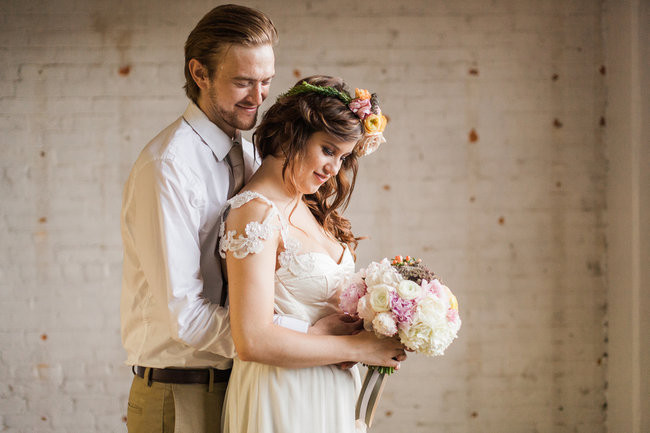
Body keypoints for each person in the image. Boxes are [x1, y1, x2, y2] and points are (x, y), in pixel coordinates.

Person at [120, 5, 360, 432]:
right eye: (243, 82)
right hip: (185, 392)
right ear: (200, 73)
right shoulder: (168, 167)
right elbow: (186, 316)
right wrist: (304, 336)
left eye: (266, 81)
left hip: (247, 383)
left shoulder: (251, 159)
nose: (258, 96)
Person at [218, 75, 404, 433]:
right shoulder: (255, 212)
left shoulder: (308, 207)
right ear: (292, 134)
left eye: (344, 157)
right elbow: (251, 340)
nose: (334, 169)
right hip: (283, 392)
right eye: (328, 150)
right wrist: (360, 350)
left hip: (330, 392)